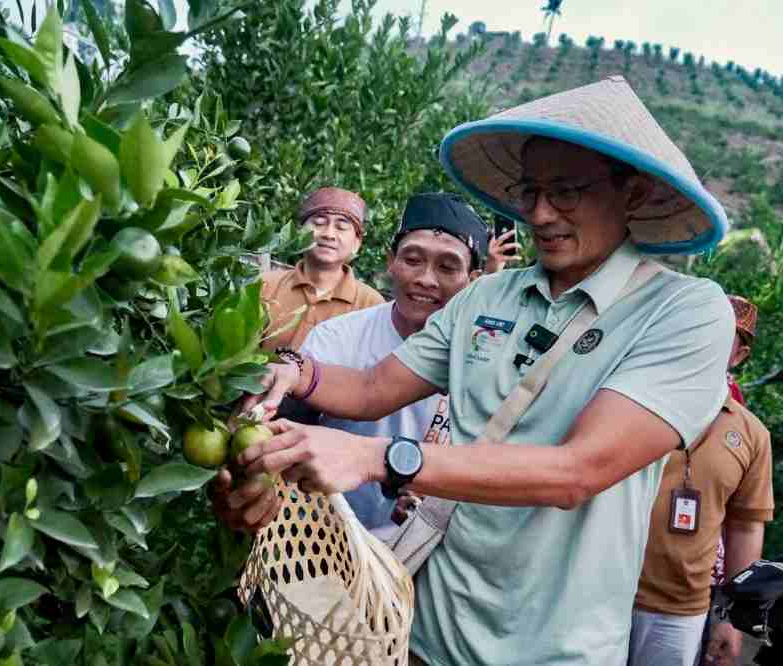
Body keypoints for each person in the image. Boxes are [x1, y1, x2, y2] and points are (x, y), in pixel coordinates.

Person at [216, 76, 735, 665]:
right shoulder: (485, 300)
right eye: (529, 190)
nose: (540, 213)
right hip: (422, 629)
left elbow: (576, 471)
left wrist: (375, 458)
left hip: (555, 649)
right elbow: (370, 387)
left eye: (564, 191)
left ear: (633, 194)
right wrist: (293, 370)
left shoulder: (683, 313)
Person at [295, 193, 497, 532]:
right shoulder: (336, 340)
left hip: (427, 552)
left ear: (473, 280)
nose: (425, 279)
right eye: (413, 259)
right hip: (325, 542)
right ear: (391, 260)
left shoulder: (487, 357)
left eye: (447, 267)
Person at [630, 295, 774, 666]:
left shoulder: (752, 434)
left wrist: (732, 618)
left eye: (722, 334)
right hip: (602, 588)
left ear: (739, 355)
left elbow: (745, 527)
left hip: (680, 608)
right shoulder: (633, 402)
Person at [260, 187, 384, 351]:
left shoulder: (371, 305)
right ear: (299, 231)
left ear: (357, 242)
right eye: (319, 223)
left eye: (341, 227)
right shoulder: (265, 286)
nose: (329, 234)